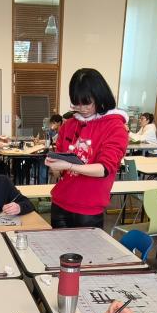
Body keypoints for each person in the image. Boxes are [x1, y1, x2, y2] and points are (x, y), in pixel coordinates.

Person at [45, 69, 129, 228]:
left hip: (88, 209)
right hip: (60, 203)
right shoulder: (69, 125)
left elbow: (104, 169)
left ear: (99, 96)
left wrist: (69, 165)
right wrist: (55, 167)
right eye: (76, 103)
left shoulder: (115, 127)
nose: (82, 108)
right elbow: (59, 171)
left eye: (86, 103)